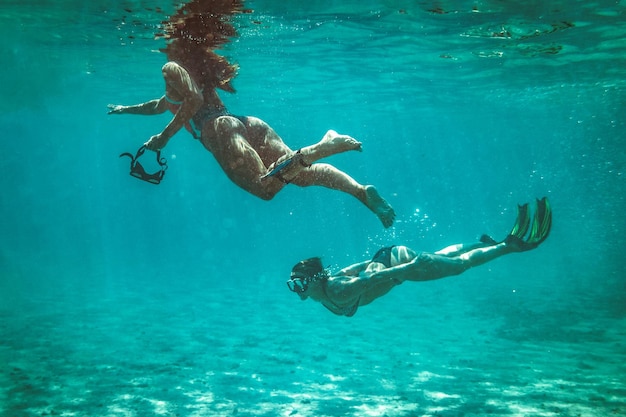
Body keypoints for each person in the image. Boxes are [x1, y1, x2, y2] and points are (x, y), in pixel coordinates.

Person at [107, 40, 395, 227]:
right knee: (301, 176)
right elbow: (158, 105)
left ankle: (322, 146)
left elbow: (192, 100)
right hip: (245, 123)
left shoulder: (172, 67)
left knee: (266, 188)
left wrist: (164, 138)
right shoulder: (182, 80)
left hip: (219, 130)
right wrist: (123, 109)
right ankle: (360, 191)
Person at [286, 197, 552, 316]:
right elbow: (359, 267)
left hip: (398, 265)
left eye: (298, 283)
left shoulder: (337, 291)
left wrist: (410, 266)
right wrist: (375, 262)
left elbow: (370, 278)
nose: (296, 289)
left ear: (313, 280)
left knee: (458, 266)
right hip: (391, 258)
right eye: (293, 285)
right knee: (441, 257)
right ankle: (481, 242)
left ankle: (508, 246)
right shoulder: (328, 286)